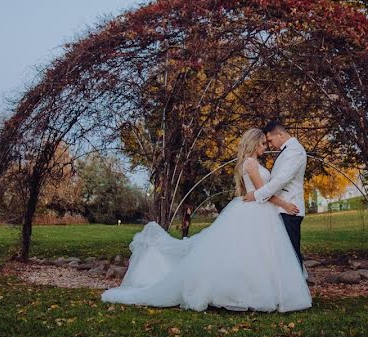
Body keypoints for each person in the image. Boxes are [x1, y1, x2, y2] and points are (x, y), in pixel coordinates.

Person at [101, 128, 311, 312]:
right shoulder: (251, 164)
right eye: (263, 143)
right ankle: (247, 293)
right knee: (251, 254)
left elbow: (260, 192)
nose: (266, 147)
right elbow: (261, 192)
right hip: (257, 210)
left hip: (260, 211)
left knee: (255, 255)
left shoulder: (252, 162)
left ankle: (256, 292)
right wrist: (284, 204)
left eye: (267, 143)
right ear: (254, 143)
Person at [243, 120, 308, 276]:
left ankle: (297, 291)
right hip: (279, 208)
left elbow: (281, 180)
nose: (269, 146)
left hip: (290, 209)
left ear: (280, 134)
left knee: (291, 254)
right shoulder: (287, 151)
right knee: (284, 254)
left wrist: (257, 195)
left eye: (270, 141)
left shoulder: (294, 151)